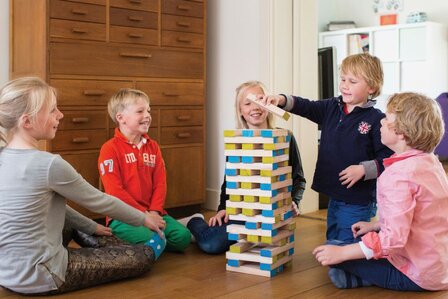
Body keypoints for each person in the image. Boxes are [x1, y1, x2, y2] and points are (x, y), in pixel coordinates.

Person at [0, 77, 167, 295]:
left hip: (8, 273)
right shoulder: (49, 164)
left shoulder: (4, 156)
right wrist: (145, 218)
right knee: (142, 258)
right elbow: (100, 200)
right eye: (52, 110)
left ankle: (98, 239)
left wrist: (92, 227)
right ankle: (119, 246)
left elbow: (49, 206)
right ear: (27, 122)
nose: (60, 115)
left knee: (70, 218)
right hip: (44, 276)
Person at [313, 92, 448, 291]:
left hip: (416, 275)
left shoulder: (397, 176)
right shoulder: (431, 163)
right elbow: (424, 216)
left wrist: (341, 254)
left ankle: (352, 278)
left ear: (402, 132)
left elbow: (392, 240)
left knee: (334, 247)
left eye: (387, 118)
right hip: (439, 267)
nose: (381, 122)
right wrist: (375, 225)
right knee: (347, 245)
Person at [260, 53, 393, 243]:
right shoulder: (332, 106)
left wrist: (364, 169)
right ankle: (337, 264)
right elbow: (306, 106)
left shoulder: (376, 119)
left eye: (352, 81)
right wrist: (280, 100)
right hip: (334, 194)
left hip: (358, 199)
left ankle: (351, 266)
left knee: (350, 240)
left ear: (371, 87)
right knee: (333, 237)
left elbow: (388, 158)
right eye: (343, 79)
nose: (345, 85)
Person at [179, 80, 306, 254]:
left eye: (259, 101)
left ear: (269, 104)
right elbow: (229, 181)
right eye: (248, 103)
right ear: (241, 111)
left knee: (264, 244)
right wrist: (223, 208)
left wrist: (294, 201)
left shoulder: (285, 138)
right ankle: (195, 221)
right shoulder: (238, 142)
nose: (255, 107)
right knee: (212, 244)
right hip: (242, 213)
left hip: (271, 214)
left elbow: (298, 178)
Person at [98, 88, 191, 253]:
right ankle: (149, 242)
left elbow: (160, 183)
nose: (147, 115)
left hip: (154, 213)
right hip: (123, 216)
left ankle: (156, 243)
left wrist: (154, 212)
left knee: (183, 238)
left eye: (148, 110)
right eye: (140, 111)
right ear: (121, 118)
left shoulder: (153, 146)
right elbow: (114, 191)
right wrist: (143, 215)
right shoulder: (109, 149)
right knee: (152, 239)